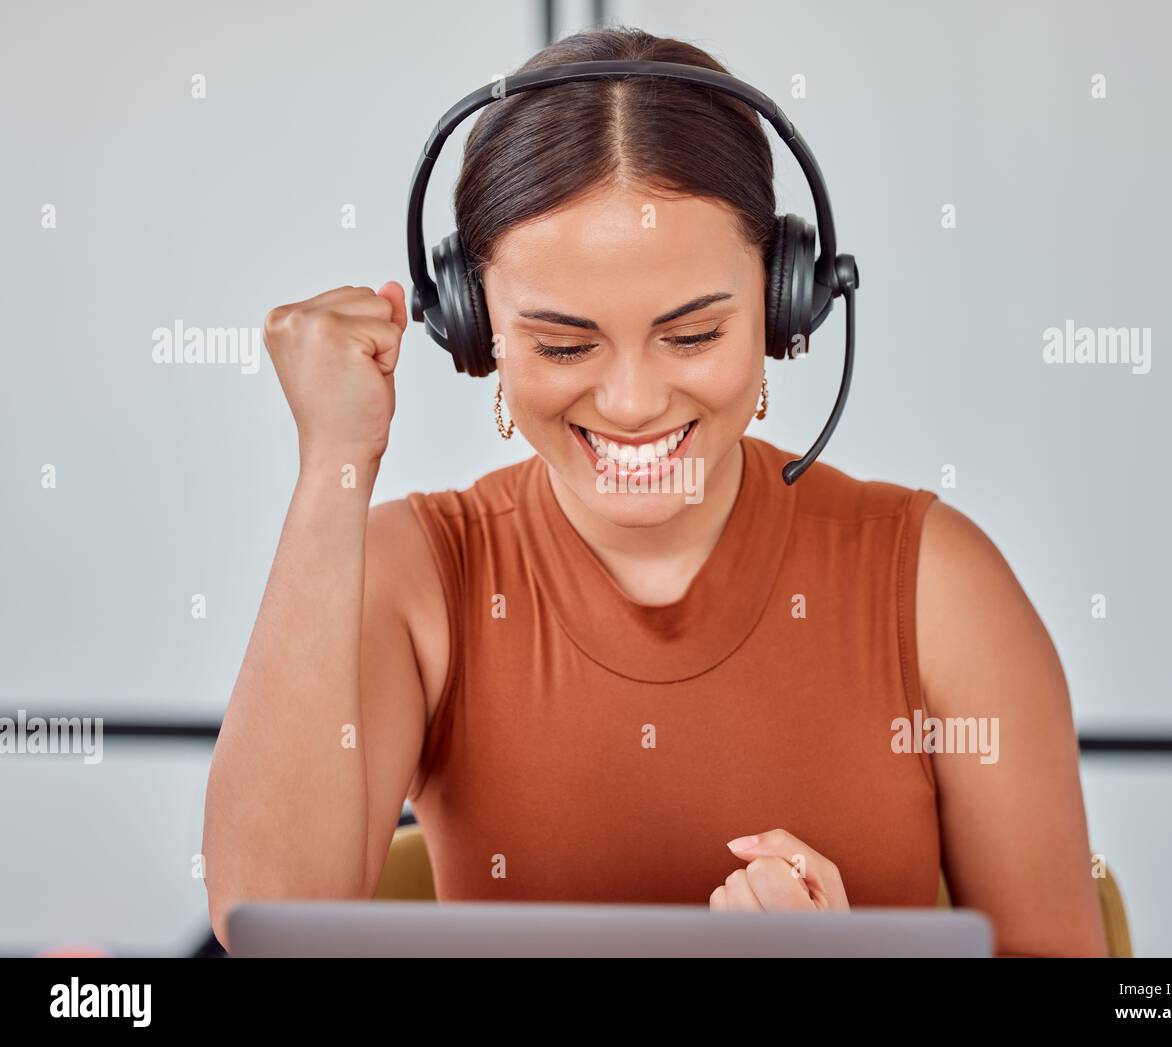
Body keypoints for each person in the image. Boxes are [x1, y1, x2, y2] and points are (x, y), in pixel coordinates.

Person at [202, 26, 1107, 956]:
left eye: (693, 336)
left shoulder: (937, 585)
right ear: (475, 334)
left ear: (784, 310)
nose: (632, 404)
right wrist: (331, 465)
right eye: (563, 345)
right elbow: (268, 917)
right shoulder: (417, 578)